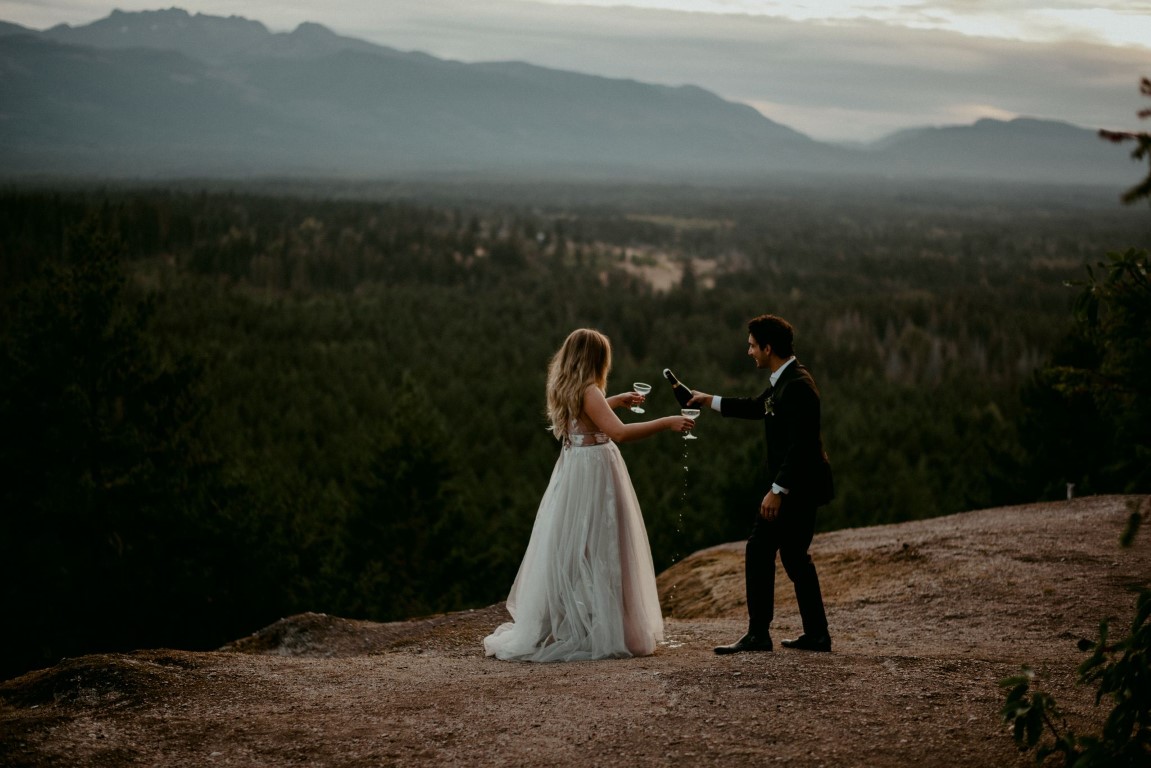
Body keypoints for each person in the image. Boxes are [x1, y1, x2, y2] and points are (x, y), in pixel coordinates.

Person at [484, 328, 696, 662]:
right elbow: (619, 432)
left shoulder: (565, 386)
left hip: (575, 471)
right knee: (606, 546)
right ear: (597, 359)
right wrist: (667, 422)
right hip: (596, 472)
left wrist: (615, 401)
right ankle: (610, 630)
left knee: (572, 547)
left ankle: (561, 624)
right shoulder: (590, 390)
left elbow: (586, 416)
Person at [688, 314, 834, 654]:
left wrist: (778, 490)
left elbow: (802, 445)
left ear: (768, 348)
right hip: (799, 486)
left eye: (752, 345)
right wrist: (707, 399)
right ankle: (816, 635)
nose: (749, 351)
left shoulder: (798, 386)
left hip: (797, 488)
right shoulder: (785, 380)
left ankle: (759, 634)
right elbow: (757, 407)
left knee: (760, 549)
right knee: (794, 557)